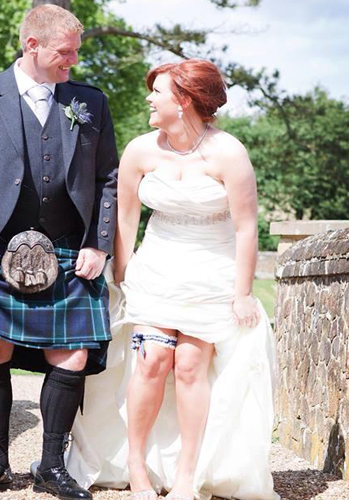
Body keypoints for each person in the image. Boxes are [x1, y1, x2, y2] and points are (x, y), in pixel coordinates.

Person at [66, 60, 279, 500]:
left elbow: (245, 228)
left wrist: (241, 293)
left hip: (211, 274)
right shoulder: (141, 150)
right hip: (156, 270)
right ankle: (137, 466)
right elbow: (125, 217)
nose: (149, 98)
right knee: (151, 361)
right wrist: (121, 275)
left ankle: (186, 474)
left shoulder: (229, 153)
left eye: (157, 92)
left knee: (188, 367)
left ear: (183, 101)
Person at [0, 5, 118, 499]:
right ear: (32, 45)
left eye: (76, 53)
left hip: (67, 251)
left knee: (73, 354)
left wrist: (99, 245)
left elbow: (108, 181)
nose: (72, 62)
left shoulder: (90, 102)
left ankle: (51, 467)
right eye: (65, 52)